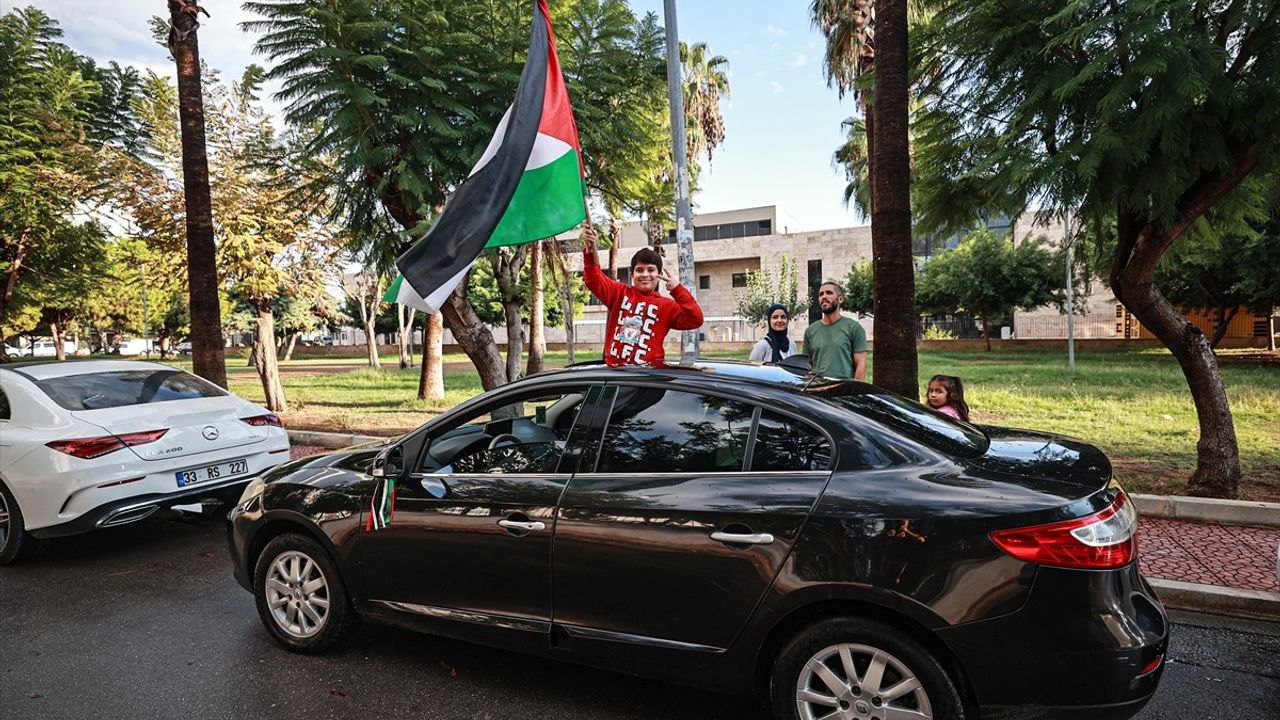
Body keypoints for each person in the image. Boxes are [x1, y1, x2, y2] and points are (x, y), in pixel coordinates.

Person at [581, 225, 703, 367]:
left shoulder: (667, 306)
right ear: (632, 275)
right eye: (639, 270)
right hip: (616, 374)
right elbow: (593, 279)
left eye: (651, 270)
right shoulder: (619, 293)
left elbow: (696, 320)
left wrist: (677, 290)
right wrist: (590, 251)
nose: (645, 274)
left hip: (649, 379)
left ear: (659, 275)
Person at [803, 281, 867, 380]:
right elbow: (805, 366)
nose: (824, 296)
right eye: (821, 294)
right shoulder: (810, 331)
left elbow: (861, 365)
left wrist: (855, 391)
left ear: (840, 299)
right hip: (818, 390)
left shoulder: (854, 328)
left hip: (843, 390)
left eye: (829, 293)